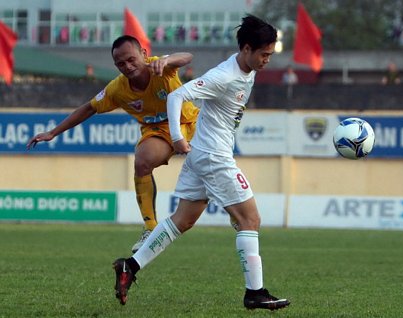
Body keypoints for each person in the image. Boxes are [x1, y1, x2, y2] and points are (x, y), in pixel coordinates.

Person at [113, 15, 290, 311]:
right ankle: (255, 293)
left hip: (203, 154)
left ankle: (129, 266)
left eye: (270, 55)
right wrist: (177, 136)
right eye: (264, 54)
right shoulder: (225, 76)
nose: (267, 60)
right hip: (213, 156)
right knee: (250, 220)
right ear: (247, 49)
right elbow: (177, 96)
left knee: (182, 221)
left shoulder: (247, 68)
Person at [26, 35, 199, 253]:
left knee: (218, 173)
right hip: (160, 133)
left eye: (131, 59)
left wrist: (167, 60)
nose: (128, 66)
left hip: (192, 124)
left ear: (144, 54)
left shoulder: (160, 66)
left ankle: (238, 213)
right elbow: (88, 108)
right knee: (142, 161)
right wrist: (53, 132)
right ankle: (150, 228)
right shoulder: (118, 89)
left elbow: (187, 57)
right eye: (121, 63)